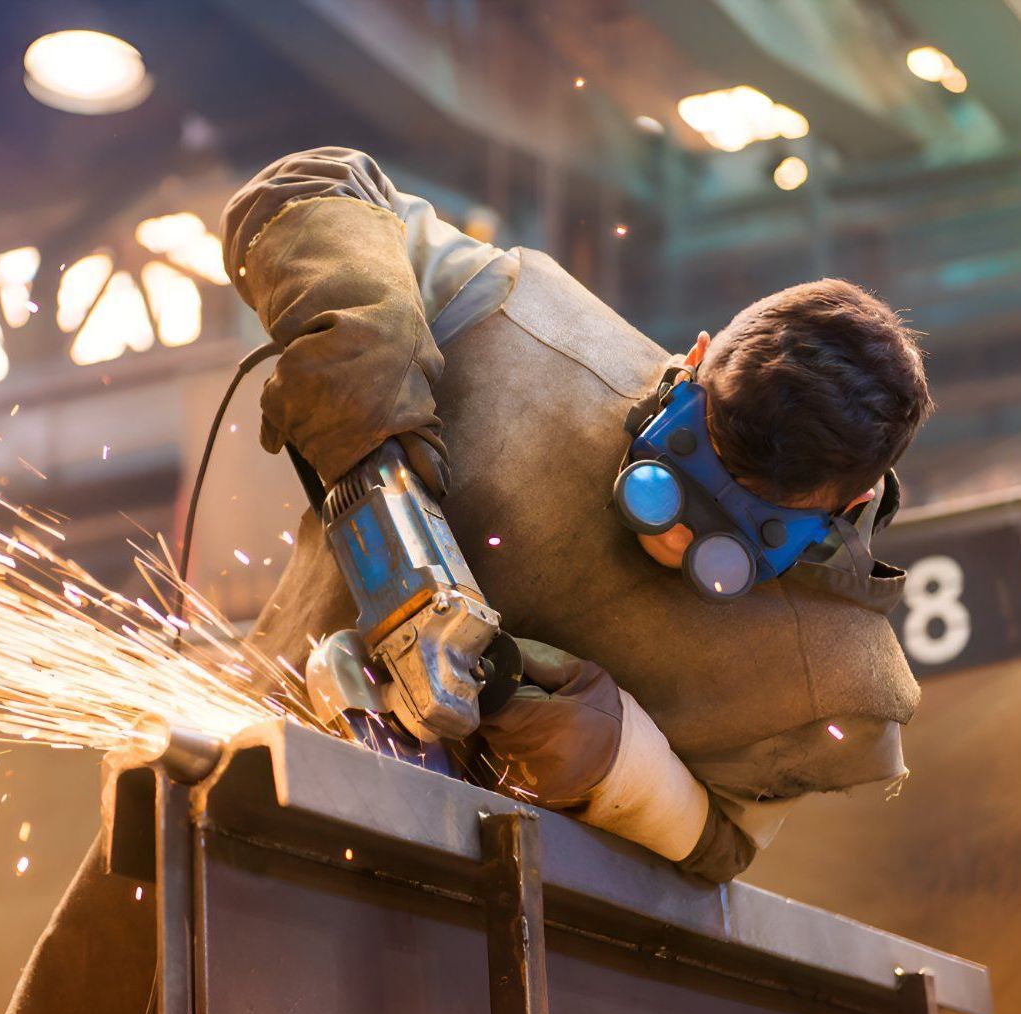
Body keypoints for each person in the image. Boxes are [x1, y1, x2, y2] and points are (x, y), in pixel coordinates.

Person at [222, 146, 932, 883]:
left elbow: (722, 850)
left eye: (734, 537)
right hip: (241, 762)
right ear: (692, 361)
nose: (673, 530)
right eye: (671, 478)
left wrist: (622, 764)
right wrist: (363, 327)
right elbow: (309, 181)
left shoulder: (830, 684)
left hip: (457, 926)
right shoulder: (514, 325)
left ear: (847, 503)